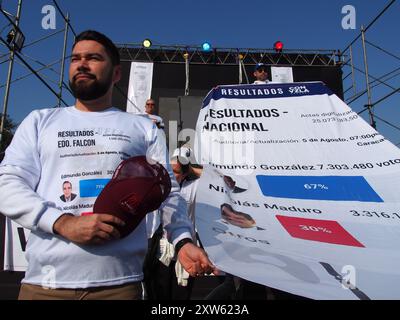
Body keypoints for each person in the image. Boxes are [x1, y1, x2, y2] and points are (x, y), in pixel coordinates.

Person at [0, 30, 217, 300]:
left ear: (116, 74)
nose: (81, 63)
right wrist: (63, 222)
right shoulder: (39, 121)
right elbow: (7, 184)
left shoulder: (143, 127)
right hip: (43, 286)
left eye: (93, 58)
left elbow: (169, 193)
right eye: (75, 58)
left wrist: (182, 239)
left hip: (119, 286)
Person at [144, 146, 202, 300]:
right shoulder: (160, 184)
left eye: (176, 171)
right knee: (159, 292)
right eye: (169, 169)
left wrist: (192, 170)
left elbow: (215, 177)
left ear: (185, 173)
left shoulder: (194, 186)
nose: (171, 174)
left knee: (181, 294)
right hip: (162, 251)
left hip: (186, 248)